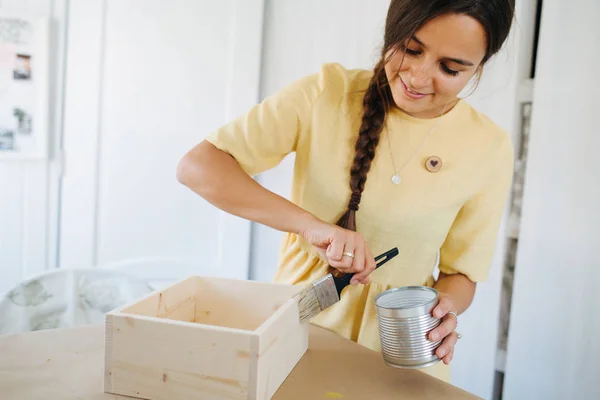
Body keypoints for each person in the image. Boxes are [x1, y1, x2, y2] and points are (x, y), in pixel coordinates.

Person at [177, 0, 515, 382]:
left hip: (403, 353)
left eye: (450, 68)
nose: (419, 77)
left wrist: (443, 310)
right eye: (410, 48)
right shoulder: (326, 93)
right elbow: (198, 167)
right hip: (296, 337)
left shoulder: (489, 145)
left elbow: (461, 274)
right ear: (392, 29)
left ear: (480, 65)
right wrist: (309, 226)